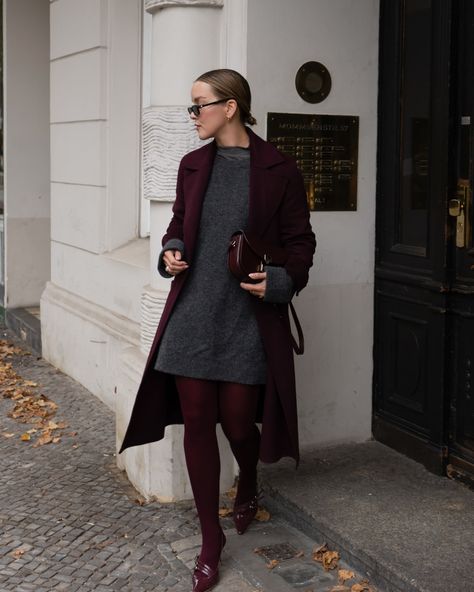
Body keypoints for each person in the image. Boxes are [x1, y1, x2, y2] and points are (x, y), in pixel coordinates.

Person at [119, 68, 316, 592]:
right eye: (191, 106)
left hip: (246, 320)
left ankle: (247, 477)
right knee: (198, 421)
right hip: (192, 315)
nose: (192, 116)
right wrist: (171, 250)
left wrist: (281, 280)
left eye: (198, 105)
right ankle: (212, 537)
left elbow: (302, 245)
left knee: (236, 423)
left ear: (230, 107)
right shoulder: (191, 165)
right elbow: (178, 225)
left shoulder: (280, 168)